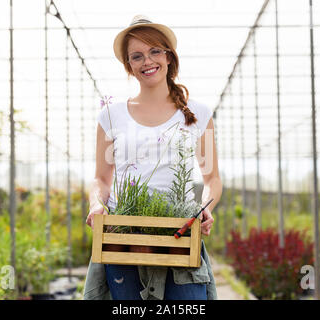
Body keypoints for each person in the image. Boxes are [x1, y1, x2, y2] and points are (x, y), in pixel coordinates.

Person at [83, 15, 223, 300]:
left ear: (169, 57)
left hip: (179, 236)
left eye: (154, 51)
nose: (147, 61)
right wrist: (96, 204)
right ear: (129, 66)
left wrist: (206, 205)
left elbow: (211, 178)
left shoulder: (198, 114)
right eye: (137, 56)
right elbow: (100, 178)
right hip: (124, 240)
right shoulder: (111, 116)